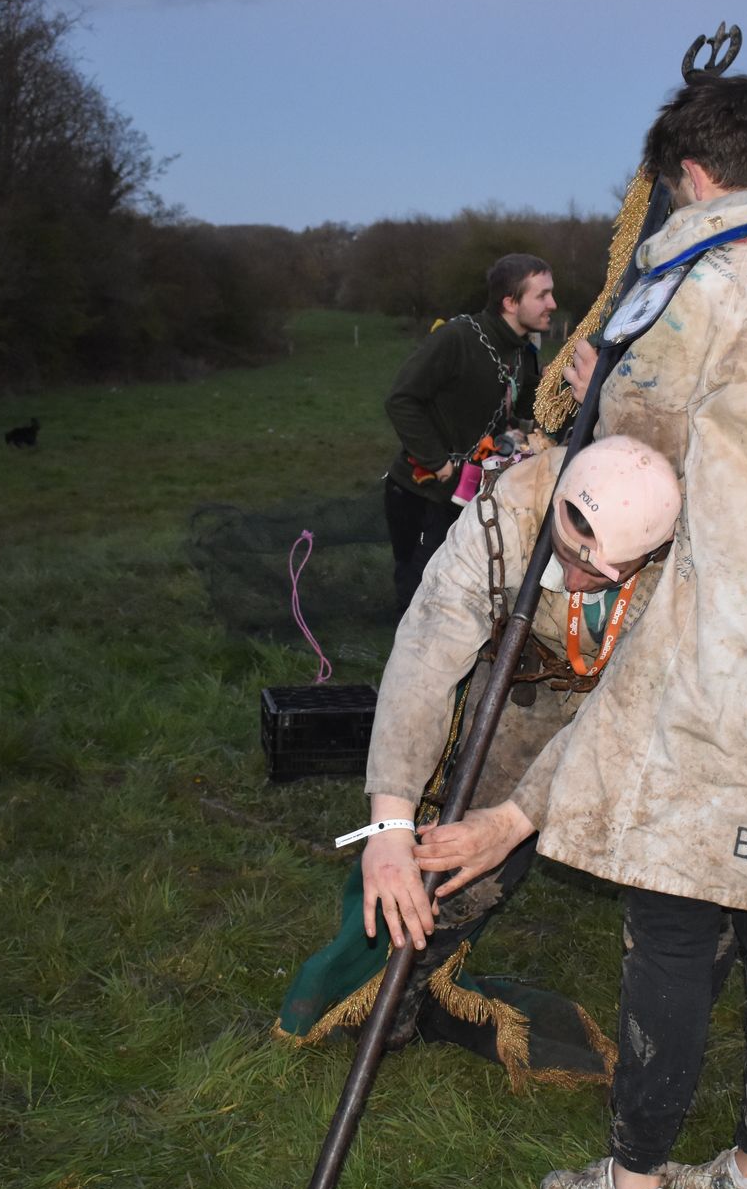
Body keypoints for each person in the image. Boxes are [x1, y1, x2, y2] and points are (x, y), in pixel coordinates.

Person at [419, 74, 747, 1189]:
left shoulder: (705, 277)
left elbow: (633, 471)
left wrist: (594, 387)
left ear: (692, 176)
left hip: (729, 653)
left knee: (675, 915)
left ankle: (632, 1181)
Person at [279, 438, 681, 1087]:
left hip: (650, 713)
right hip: (527, 681)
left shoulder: (690, 569)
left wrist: (514, 821)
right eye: (568, 557)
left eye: (604, 573)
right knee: (461, 853)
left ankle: (676, 1025)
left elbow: (625, 717)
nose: (578, 580)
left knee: (676, 887)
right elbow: (425, 658)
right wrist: (389, 823)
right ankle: (405, 989)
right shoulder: (505, 515)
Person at [383, 254, 555, 611]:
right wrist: (439, 464)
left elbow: (527, 412)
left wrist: (558, 386)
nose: (552, 304)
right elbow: (401, 400)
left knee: (464, 595)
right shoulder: (457, 338)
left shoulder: (523, 351)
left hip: (472, 497)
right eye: (542, 295)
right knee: (421, 599)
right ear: (510, 302)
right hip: (423, 495)